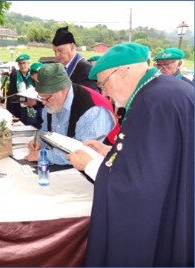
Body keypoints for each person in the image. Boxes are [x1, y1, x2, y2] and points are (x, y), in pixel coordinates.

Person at [66, 43, 194, 266]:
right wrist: (110, 151)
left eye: (104, 83)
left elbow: (138, 184)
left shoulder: (151, 101)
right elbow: (157, 156)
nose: (104, 92)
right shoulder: (165, 90)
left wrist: (88, 164)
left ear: (123, 71)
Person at [25, 63, 117, 165]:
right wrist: (38, 141)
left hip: (97, 170)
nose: (43, 102)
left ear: (64, 90)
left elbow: (84, 152)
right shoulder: (51, 101)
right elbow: (45, 129)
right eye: (41, 97)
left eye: (46, 97)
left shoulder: (92, 110)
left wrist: (43, 155)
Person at [52, 26, 99, 91]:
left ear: (72, 47)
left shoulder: (85, 69)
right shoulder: (62, 67)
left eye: (60, 50)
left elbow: (90, 98)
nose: (56, 55)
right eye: (55, 51)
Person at [6, 54, 42, 129]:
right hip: (19, 109)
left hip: (33, 108)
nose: (22, 66)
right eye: (20, 63)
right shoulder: (14, 75)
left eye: (24, 63)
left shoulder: (34, 74)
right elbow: (11, 96)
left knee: (33, 126)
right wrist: (24, 100)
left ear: (29, 63)